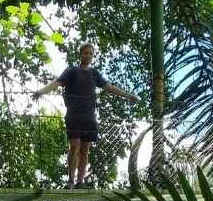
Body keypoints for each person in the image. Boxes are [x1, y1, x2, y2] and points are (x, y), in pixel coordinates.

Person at [33, 43, 139, 189]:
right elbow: (56, 83)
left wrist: (128, 96)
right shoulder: (71, 71)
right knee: (74, 146)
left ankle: (80, 181)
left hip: (89, 117)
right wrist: (40, 92)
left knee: (85, 150)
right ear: (80, 54)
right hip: (74, 116)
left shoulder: (94, 74)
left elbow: (110, 87)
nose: (88, 55)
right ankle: (71, 180)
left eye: (90, 54)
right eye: (85, 53)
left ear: (92, 56)